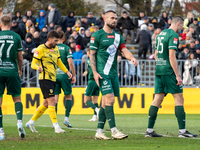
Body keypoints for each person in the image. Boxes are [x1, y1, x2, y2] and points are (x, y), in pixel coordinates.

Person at [145, 16, 197, 138]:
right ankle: (182, 132)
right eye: (181, 27)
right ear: (178, 23)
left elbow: (156, 54)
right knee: (179, 99)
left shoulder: (161, 34)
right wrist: (178, 76)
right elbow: (172, 56)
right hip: (169, 72)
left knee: (157, 100)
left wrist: (160, 65)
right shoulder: (173, 35)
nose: (181, 29)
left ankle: (149, 130)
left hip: (159, 71)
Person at [90, 10, 138, 140]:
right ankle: (114, 130)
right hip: (102, 73)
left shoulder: (118, 36)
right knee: (110, 99)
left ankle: (99, 132)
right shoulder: (97, 35)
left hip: (113, 74)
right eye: (112, 18)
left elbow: (124, 50)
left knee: (106, 103)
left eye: (116, 18)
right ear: (104, 19)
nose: (114, 20)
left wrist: (131, 58)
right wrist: (94, 72)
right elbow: (92, 54)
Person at [25, 31, 72, 133]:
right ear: (49, 39)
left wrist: (67, 71)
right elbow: (33, 64)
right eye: (55, 40)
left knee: (46, 103)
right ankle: (56, 127)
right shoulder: (40, 49)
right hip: (45, 79)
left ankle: (31, 122)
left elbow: (59, 62)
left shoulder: (56, 49)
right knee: (52, 101)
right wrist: (38, 68)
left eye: (58, 40)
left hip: (53, 79)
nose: (57, 42)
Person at [0, 14, 25, 140]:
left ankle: (1, 132)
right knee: (17, 99)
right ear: (10, 24)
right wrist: (19, 69)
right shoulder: (16, 36)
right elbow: (20, 57)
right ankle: (19, 122)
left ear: (0, 24)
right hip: (12, 71)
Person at [54, 31, 76, 127]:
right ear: (63, 38)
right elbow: (70, 63)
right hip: (64, 75)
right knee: (68, 97)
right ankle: (66, 119)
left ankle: (54, 122)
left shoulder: (51, 48)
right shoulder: (67, 48)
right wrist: (73, 75)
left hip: (54, 76)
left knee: (55, 99)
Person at [84, 48, 100, 121]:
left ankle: (97, 109)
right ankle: (95, 116)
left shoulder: (89, 60)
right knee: (95, 100)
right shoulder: (98, 60)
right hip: (98, 81)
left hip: (91, 81)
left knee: (86, 100)